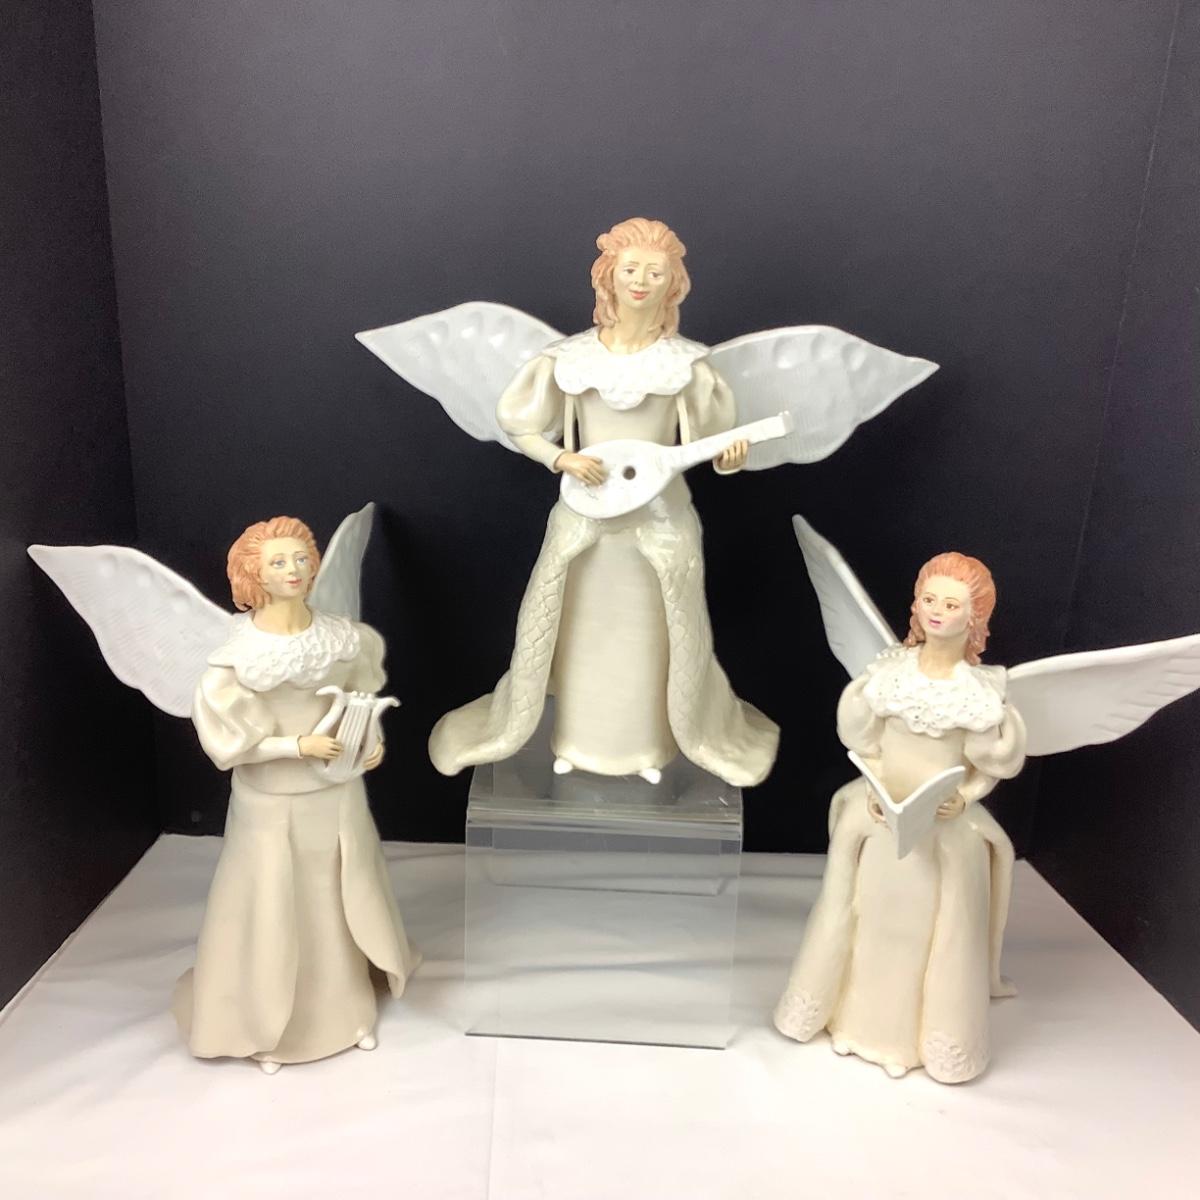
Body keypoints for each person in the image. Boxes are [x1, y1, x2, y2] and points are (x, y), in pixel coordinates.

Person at [429, 218, 779, 787]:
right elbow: (521, 425)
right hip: (584, 518)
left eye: (655, 272)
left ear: (674, 284)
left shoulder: (688, 365)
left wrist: (730, 457)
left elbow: (709, 445)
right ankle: (575, 741)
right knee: (577, 626)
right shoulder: (568, 358)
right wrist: (560, 458)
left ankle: (647, 745)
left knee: (653, 631)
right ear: (608, 277)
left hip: (658, 521)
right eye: (630, 269)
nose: (641, 281)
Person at [172, 516, 418, 1072]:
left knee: (337, 897)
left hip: (336, 793)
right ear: (253, 574)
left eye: (302, 558)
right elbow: (229, 744)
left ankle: (345, 1011)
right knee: (273, 903)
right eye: (278, 562)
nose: (294, 569)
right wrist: (296, 746)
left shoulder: (341, 637)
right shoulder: (237, 656)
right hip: (270, 800)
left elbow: (359, 698)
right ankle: (269, 1027)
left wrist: (369, 739)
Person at [773, 552, 1025, 1083]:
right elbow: (868, 741)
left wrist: (966, 797)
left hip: (939, 828)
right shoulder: (890, 673)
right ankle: (850, 1020)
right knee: (862, 914)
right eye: (929, 599)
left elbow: (987, 766)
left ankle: (907, 1038)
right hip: (880, 816)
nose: (937, 611)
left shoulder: (977, 694)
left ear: (974, 617)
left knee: (926, 930)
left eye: (952, 604)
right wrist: (874, 782)